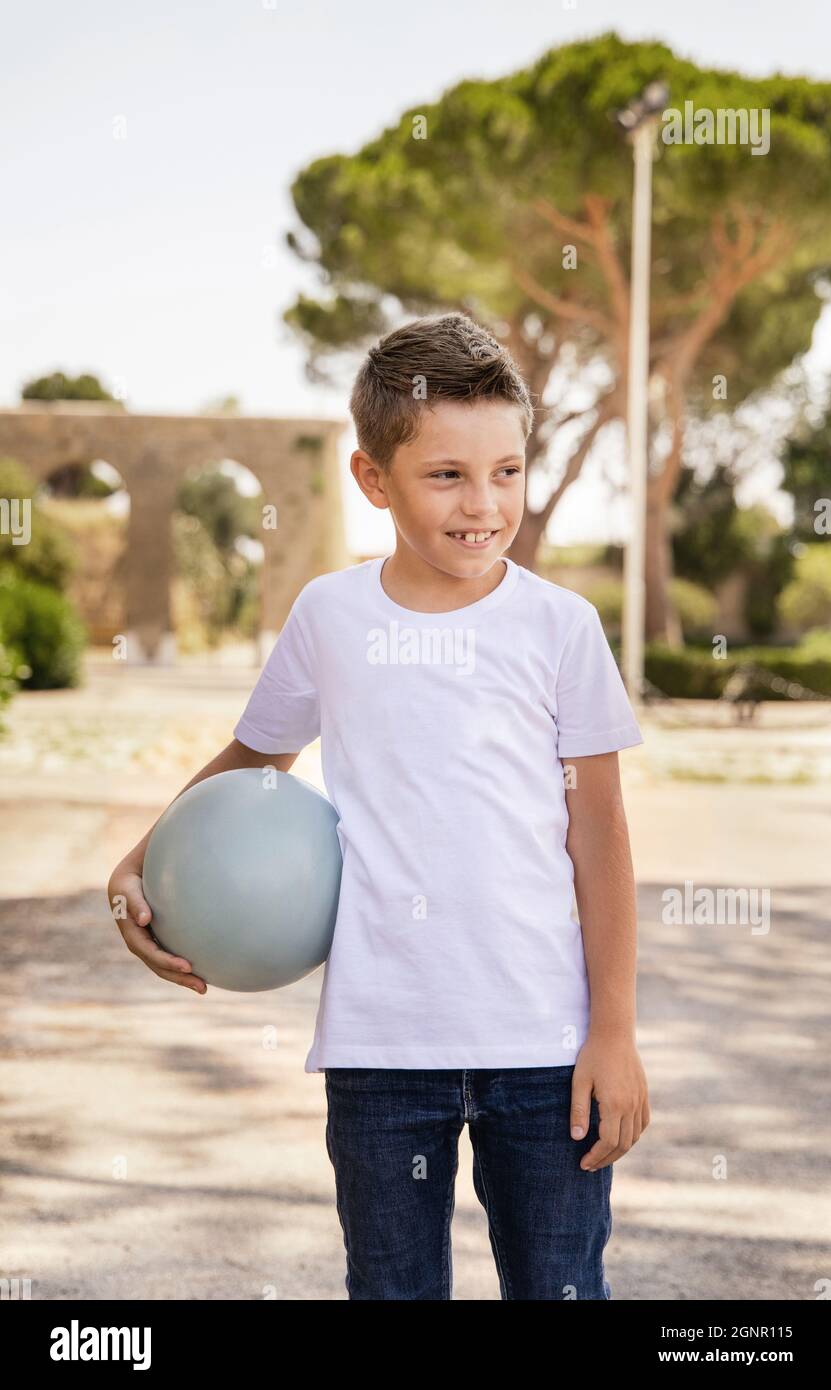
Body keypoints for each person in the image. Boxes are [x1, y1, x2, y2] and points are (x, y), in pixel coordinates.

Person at [107, 311, 650, 1300]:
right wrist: (138, 863)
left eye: (507, 471)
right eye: (446, 474)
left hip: (545, 1047)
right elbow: (251, 754)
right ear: (373, 479)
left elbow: (600, 840)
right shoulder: (331, 617)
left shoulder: (562, 629)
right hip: (381, 1049)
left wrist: (613, 1030)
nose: (483, 504)